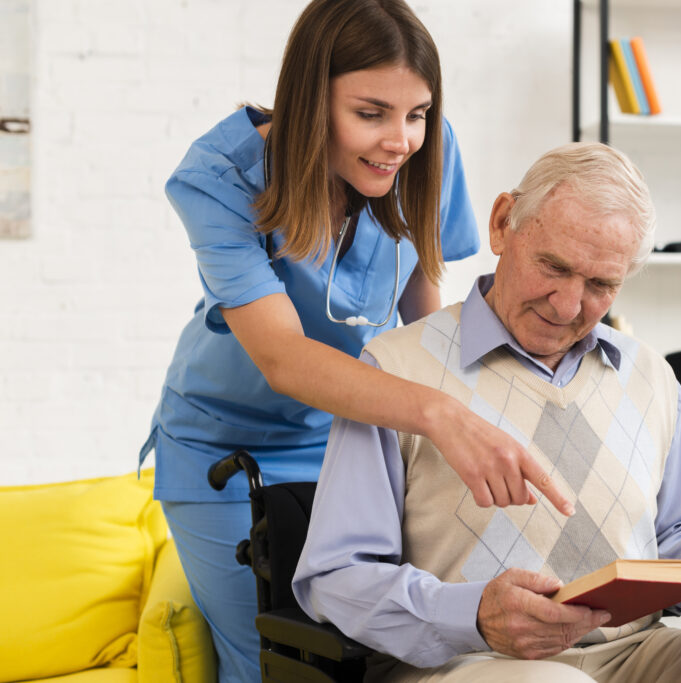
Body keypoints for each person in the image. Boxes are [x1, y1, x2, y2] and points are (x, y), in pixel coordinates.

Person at [293, 141, 681, 682]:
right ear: (502, 223)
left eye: (600, 285)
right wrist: (474, 615)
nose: (567, 306)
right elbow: (335, 577)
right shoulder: (394, 370)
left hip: (638, 651)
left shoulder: (652, 376)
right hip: (467, 662)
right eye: (554, 267)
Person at [140, 1, 571, 680]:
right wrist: (438, 413)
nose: (400, 140)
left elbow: (424, 309)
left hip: (356, 433)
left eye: (417, 113)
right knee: (275, 660)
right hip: (227, 449)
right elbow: (282, 357)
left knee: (378, 645)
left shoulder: (428, 149)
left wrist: (479, 415)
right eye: (370, 114)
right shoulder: (219, 180)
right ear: (312, 101)